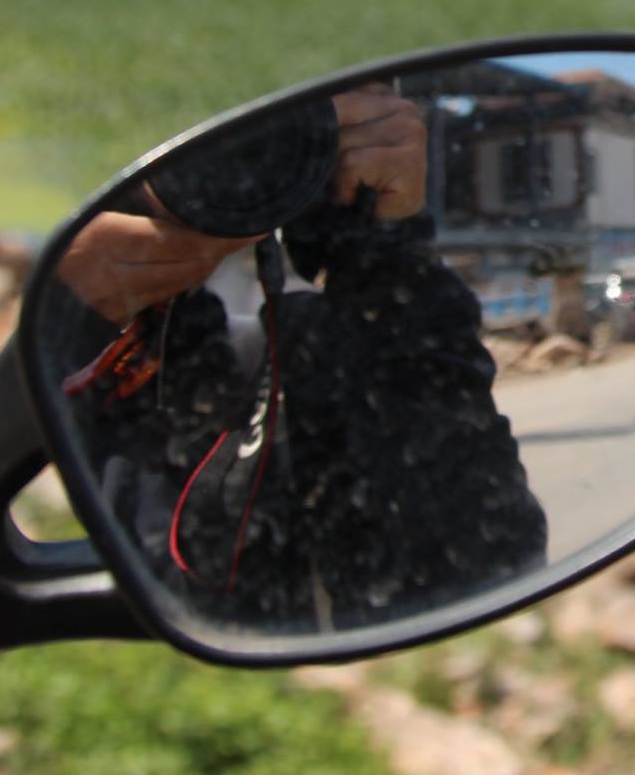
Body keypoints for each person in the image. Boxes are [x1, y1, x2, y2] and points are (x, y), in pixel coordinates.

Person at [51, 86, 548, 630]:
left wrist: (387, 253)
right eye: (200, 128)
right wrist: (85, 312)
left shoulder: (350, 347)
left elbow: (482, 570)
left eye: (271, 124)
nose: (235, 151)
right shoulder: (130, 346)